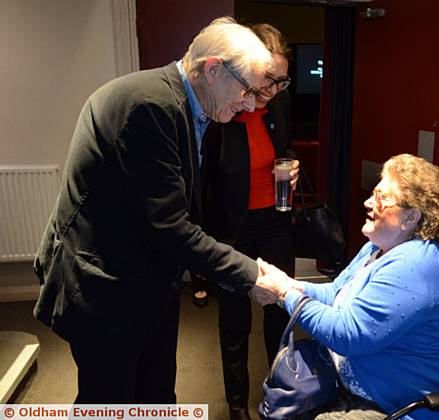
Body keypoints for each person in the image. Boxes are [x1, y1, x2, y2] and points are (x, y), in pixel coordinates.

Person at [32, 17, 277, 403]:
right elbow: (168, 226)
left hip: (142, 282)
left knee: (156, 395)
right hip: (105, 290)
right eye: (247, 90)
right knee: (110, 403)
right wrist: (251, 275)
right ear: (213, 69)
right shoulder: (150, 106)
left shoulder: (187, 105)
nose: (248, 104)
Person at [255, 154, 439, 420]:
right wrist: (288, 283)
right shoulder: (378, 247)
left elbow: (347, 334)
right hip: (374, 383)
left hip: (417, 405)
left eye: (382, 198)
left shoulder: (416, 266)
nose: (367, 202)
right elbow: (335, 293)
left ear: (410, 217)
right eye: (374, 193)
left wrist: (284, 295)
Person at [193, 23, 299, 420]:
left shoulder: (280, 104)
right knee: (235, 316)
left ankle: (283, 391)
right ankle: (237, 404)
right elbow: (204, 180)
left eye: (281, 82)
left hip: (275, 219)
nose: (271, 91)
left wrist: (290, 166)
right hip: (233, 226)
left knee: (281, 311)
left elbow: (284, 148)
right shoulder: (223, 107)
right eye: (267, 80)